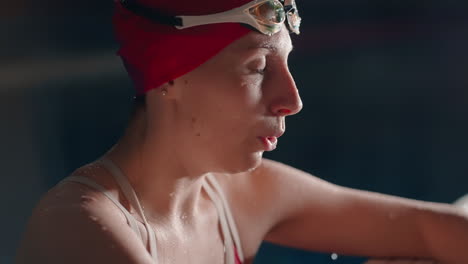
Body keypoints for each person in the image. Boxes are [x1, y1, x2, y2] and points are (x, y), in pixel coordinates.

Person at [16, 0, 468, 263]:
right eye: (256, 68)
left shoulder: (236, 196)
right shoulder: (77, 228)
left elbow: (432, 231)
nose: (292, 99)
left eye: (286, 63)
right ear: (168, 75)